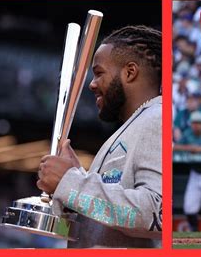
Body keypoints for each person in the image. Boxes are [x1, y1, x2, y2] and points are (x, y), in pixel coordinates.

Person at [37, 25, 162, 248]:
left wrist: (71, 182)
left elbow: (155, 214)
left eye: (99, 73)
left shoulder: (157, 117)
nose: (92, 84)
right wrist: (74, 183)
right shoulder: (134, 125)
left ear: (130, 72)